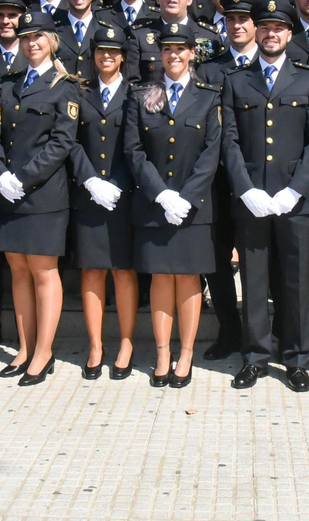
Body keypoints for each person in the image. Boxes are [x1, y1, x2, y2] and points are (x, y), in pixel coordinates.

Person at [219, 0, 309, 392]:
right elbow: (228, 140)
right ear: (256, 31)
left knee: (295, 280)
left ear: (289, 34)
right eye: (264, 27)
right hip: (252, 199)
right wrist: (245, 189)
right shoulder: (236, 79)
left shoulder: (308, 79)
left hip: (293, 200)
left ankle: (297, 359)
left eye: (278, 28)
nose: (270, 34)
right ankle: (255, 356)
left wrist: (295, 190)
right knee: (253, 278)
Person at [126, 23, 223, 388]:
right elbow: (134, 150)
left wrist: (186, 196)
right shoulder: (142, 96)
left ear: (191, 53)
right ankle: (163, 352)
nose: (173, 55)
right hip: (155, 205)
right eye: (167, 49)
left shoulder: (209, 97)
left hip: (193, 207)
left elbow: (212, 152)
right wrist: (161, 194)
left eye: (180, 49)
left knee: (188, 278)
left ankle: (186, 353)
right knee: (161, 278)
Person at [0, 11, 80, 386]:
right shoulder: (9, 83)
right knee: (18, 271)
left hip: (43, 194)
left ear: (52, 41)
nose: (31, 43)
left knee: (44, 272)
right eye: (26, 37)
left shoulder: (64, 87)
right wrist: (0, 173)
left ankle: (44, 351)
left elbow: (62, 142)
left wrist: (24, 178)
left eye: (38, 37)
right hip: (9, 192)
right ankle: (25, 347)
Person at [66, 22, 138, 380]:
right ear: (93, 55)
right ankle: (95, 345)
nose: (106, 56)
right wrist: (91, 179)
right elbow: (71, 141)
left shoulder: (135, 94)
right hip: (89, 194)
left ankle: (126, 342)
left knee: (123, 270)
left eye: (113, 51)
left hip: (124, 197)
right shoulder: (80, 92)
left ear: (122, 57)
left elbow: (137, 145)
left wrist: (118, 184)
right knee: (92, 270)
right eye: (100, 51)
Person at [195, 0, 256, 361]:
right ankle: (229, 331)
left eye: (243, 19)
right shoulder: (209, 69)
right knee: (217, 259)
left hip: (258, 178)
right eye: (230, 19)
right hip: (217, 179)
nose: (236, 25)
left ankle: (261, 333)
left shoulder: (269, 64)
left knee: (258, 260)